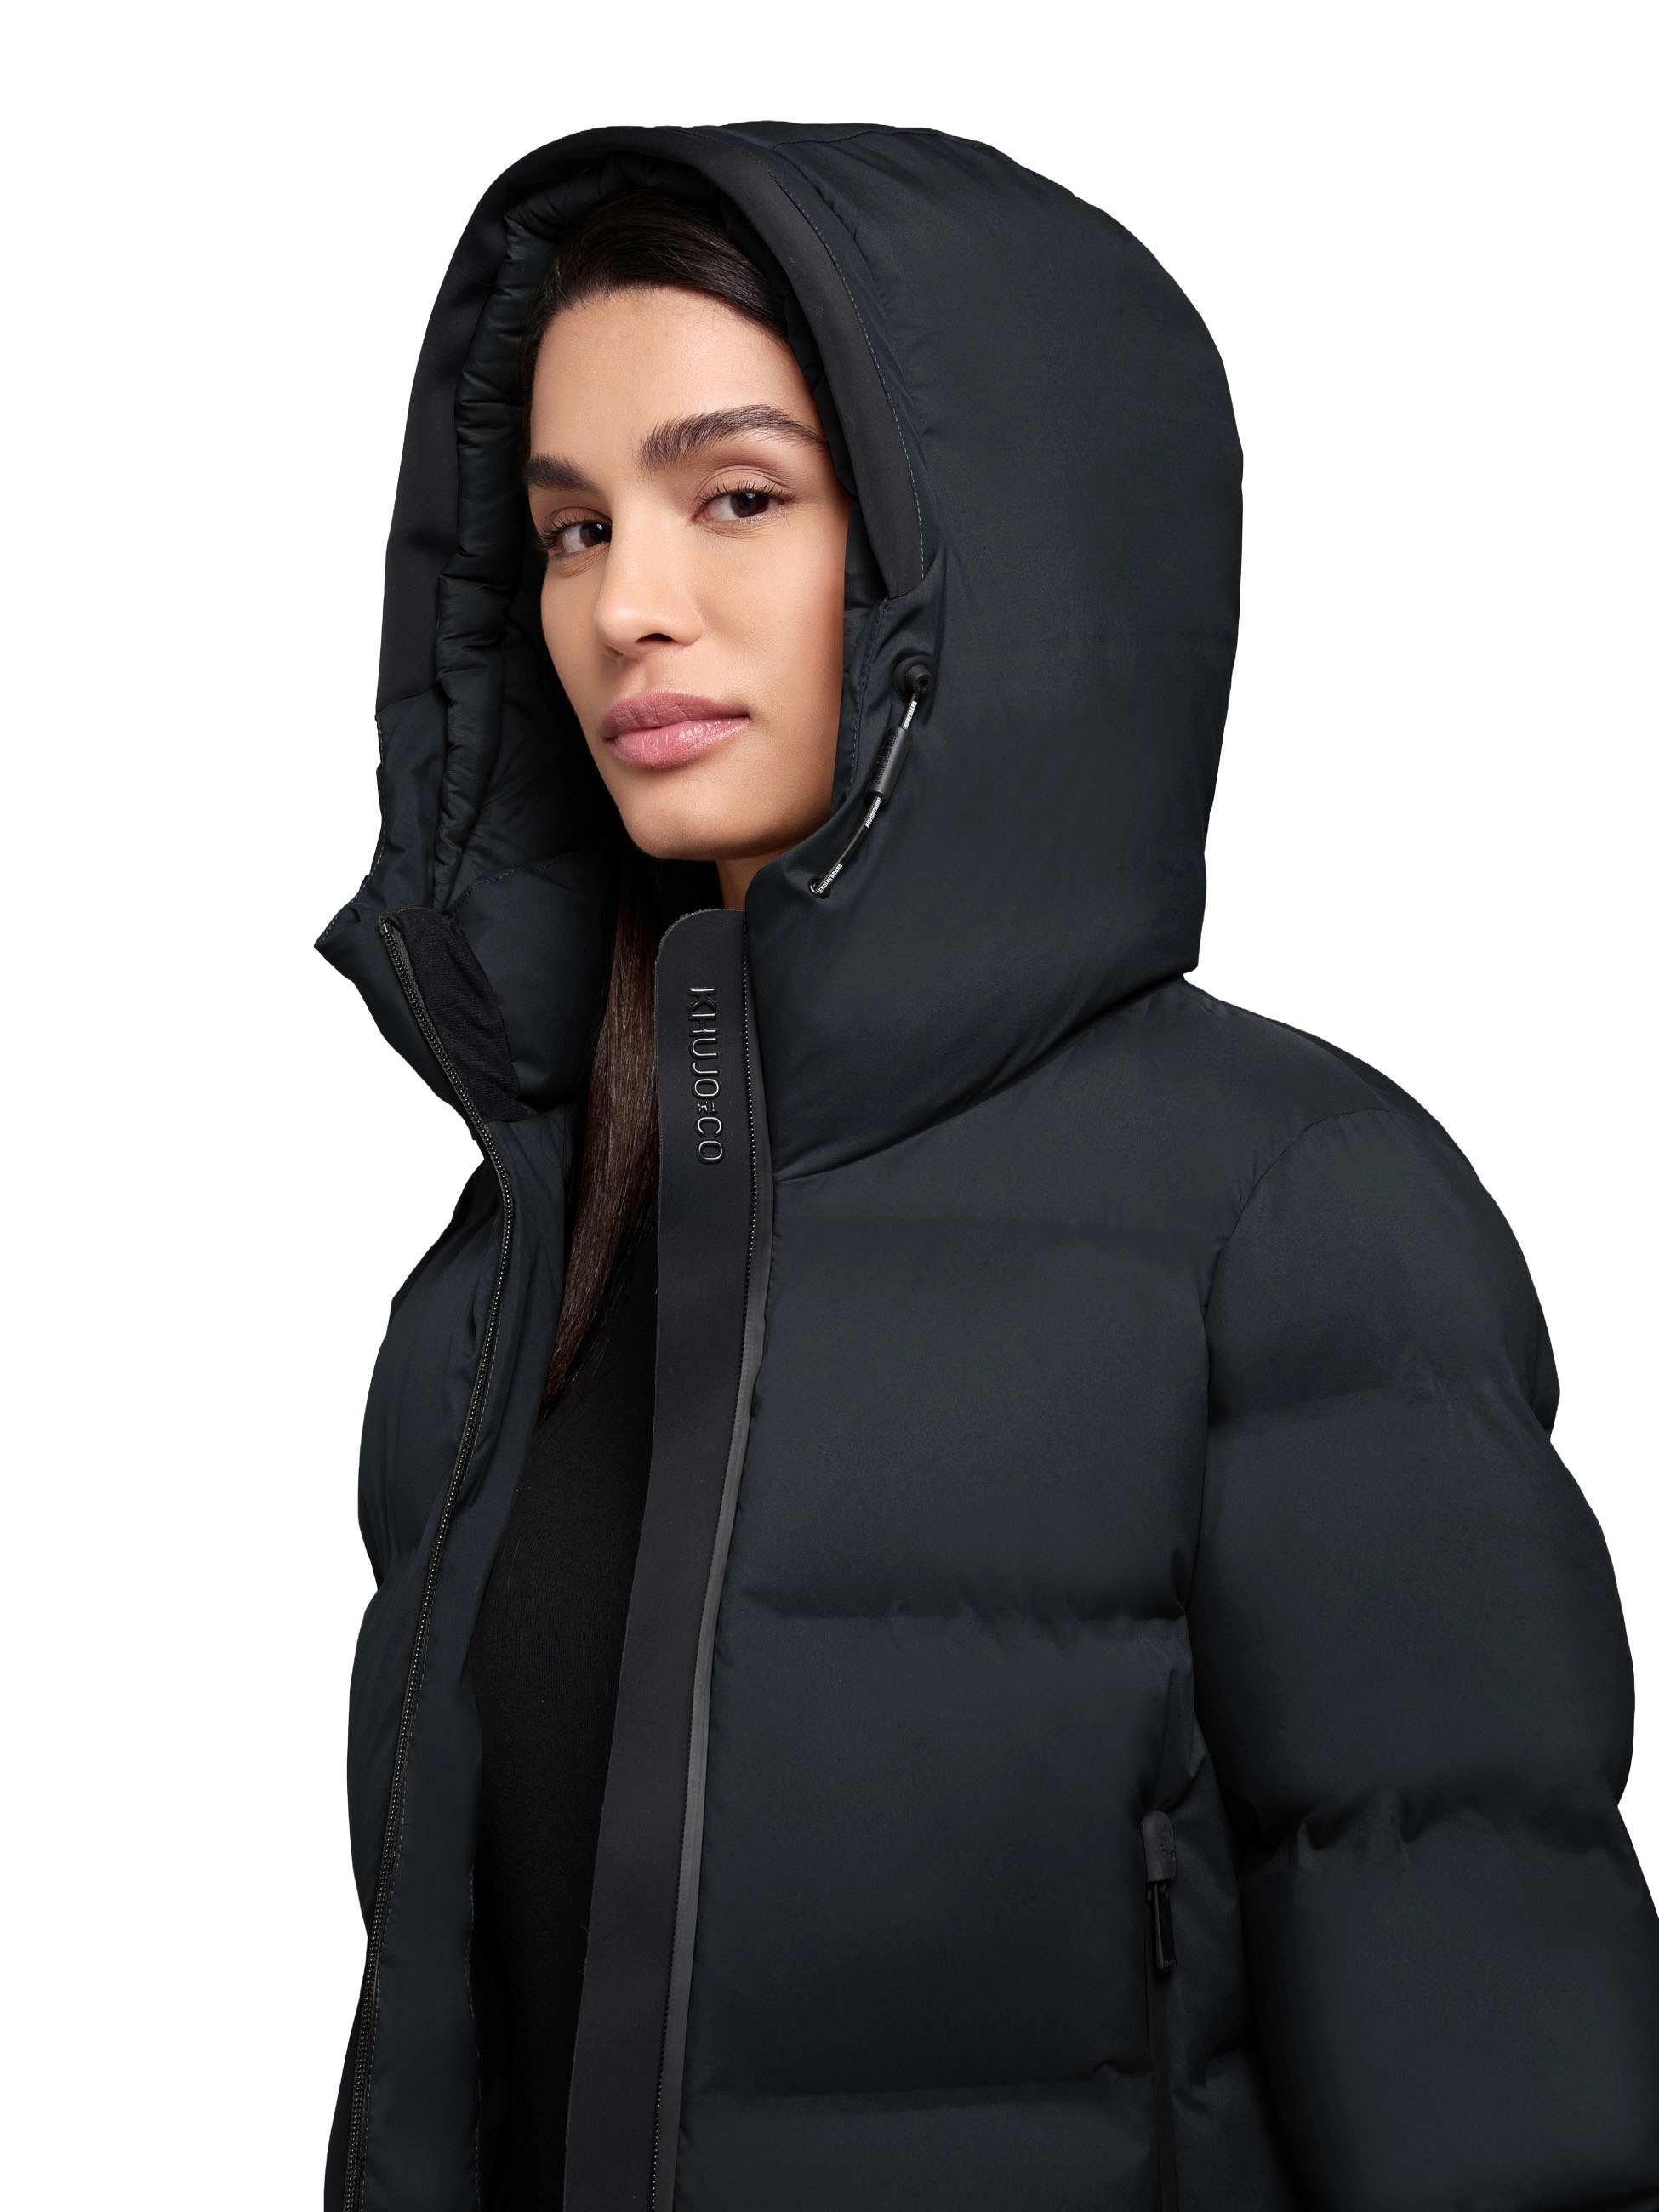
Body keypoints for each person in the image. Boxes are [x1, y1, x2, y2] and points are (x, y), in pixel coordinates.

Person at [318, 126, 1659, 2212]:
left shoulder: (1297, 1221)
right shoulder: (504, 1285)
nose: (627, 608)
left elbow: (1509, 2112)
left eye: (735, 496)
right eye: (571, 529)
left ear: (990, 554)